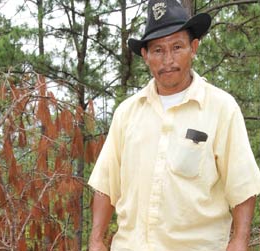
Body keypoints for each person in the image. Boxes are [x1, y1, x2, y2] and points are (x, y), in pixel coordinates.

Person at [87, 0, 260, 250]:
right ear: (145, 56)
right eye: (158, 50)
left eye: (177, 47)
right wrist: (95, 240)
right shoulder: (127, 113)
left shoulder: (222, 108)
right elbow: (105, 184)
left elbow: (243, 185)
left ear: (194, 47)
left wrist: (240, 240)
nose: (168, 59)